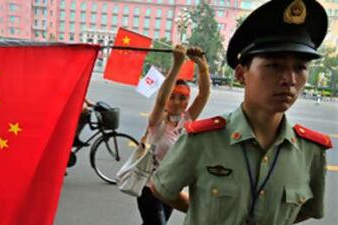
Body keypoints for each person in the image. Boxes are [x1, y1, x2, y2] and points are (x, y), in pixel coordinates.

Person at [150, 0, 333, 225]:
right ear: (241, 74)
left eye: (300, 67)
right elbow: (162, 189)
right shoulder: (203, 140)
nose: (290, 80)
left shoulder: (310, 152)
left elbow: (307, 210)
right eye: (274, 66)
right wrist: (202, 211)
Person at [137, 44, 211, 225]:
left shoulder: (186, 119)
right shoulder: (157, 121)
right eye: (173, 96)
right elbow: (160, 99)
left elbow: (203, 95)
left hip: (170, 189)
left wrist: (202, 66)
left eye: (183, 97)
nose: (177, 101)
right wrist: (177, 64)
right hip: (150, 190)